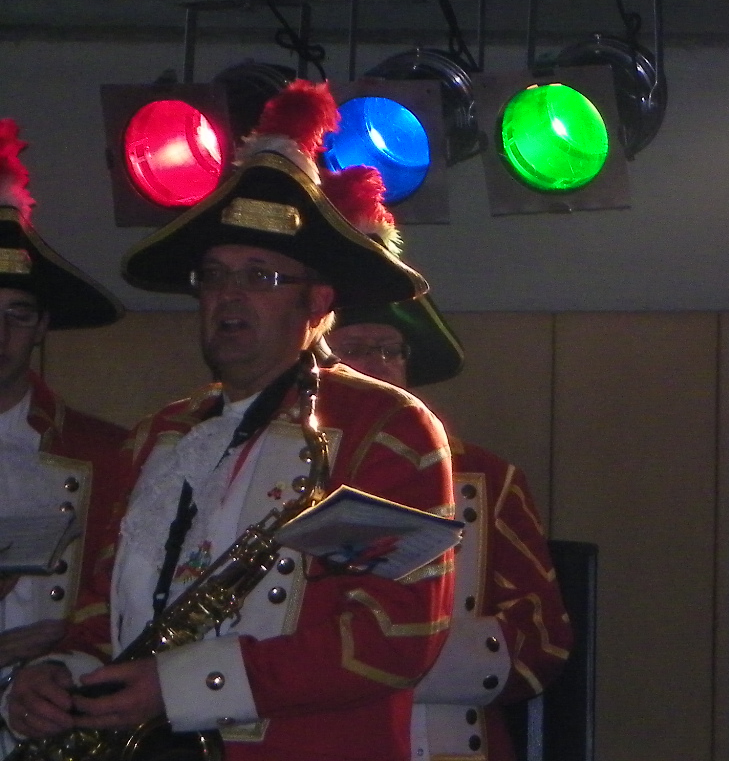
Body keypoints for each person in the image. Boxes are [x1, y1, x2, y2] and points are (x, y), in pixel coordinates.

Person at [6, 83, 456, 761]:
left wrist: (183, 686)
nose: (230, 296)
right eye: (214, 276)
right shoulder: (160, 435)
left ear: (318, 302)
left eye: (262, 277)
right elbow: (102, 607)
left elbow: (394, 634)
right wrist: (59, 675)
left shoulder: (386, 429)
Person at [326, 296, 571, 761]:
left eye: (390, 349)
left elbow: (541, 640)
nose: (376, 364)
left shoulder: (486, 478)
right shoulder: (282, 470)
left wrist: (379, 664)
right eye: (353, 349)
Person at [0, 122, 127, 711]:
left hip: (59, 720)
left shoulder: (105, 454)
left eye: (19, 315)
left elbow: (129, 603)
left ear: (42, 327)